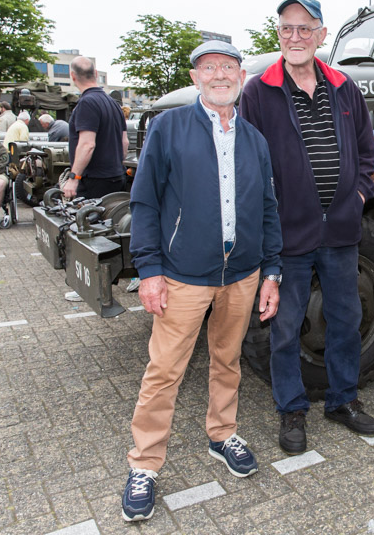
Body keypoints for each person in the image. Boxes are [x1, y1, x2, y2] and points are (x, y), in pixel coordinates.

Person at [121, 41, 282, 522]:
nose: (219, 75)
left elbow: (268, 208)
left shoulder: (255, 140)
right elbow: (144, 202)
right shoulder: (169, 128)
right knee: (164, 371)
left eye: (228, 67)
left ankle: (222, 434)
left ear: (241, 77)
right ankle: (145, 464)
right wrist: (149, 270)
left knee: (227, 359)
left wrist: (271, 270)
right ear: (195, 78)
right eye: (209, 67)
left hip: (243, 273)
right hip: (183, 276)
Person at [239, 0, 374, 455]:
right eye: (287, 28)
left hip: (340, 232)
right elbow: (249, 163)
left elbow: (366, 152)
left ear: (321, 34)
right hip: (288, 235)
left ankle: (343, 400)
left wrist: (357, 198)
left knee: (346, 321)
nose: (295, 36)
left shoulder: (343, 86)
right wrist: (269, 217)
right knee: (284, 328)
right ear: (278, 34)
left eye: (305, 28)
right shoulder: (258, 91)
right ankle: (291, 409)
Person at [61, 56, 128, 200]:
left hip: (94, 181)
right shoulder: (114, 104)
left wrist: (73, 178)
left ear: (73, 76)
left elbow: (87, 145)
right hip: (116, 177)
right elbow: (124, 143)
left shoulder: (86, 103)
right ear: (96, 74)